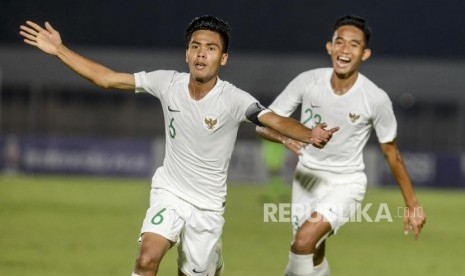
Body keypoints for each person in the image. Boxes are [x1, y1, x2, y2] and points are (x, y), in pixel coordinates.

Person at [20, 15, 338, 276]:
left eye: (211, 48)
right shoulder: (166, 82)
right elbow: (107, 79)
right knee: (147, 260)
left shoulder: (233, 98)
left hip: (208, 207)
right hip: (169, 192)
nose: (201, 53)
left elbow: (273, 119)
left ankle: (211, 264)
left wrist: (309, 133)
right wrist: (60, 49)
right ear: (186, 53)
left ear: (223, 58)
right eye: (195, 46)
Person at [256, 15, 426, 276]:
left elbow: (391, 153)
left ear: (365, 53)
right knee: (311, 252)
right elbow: (263, 124)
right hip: (306, 177)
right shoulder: (308, 82)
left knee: (302, 243)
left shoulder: (375, 99)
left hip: (346, 183)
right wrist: (287, 138)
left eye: (354, 44)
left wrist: (412, 204)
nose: (345, 49)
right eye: (340, 42)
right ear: (329, 47)